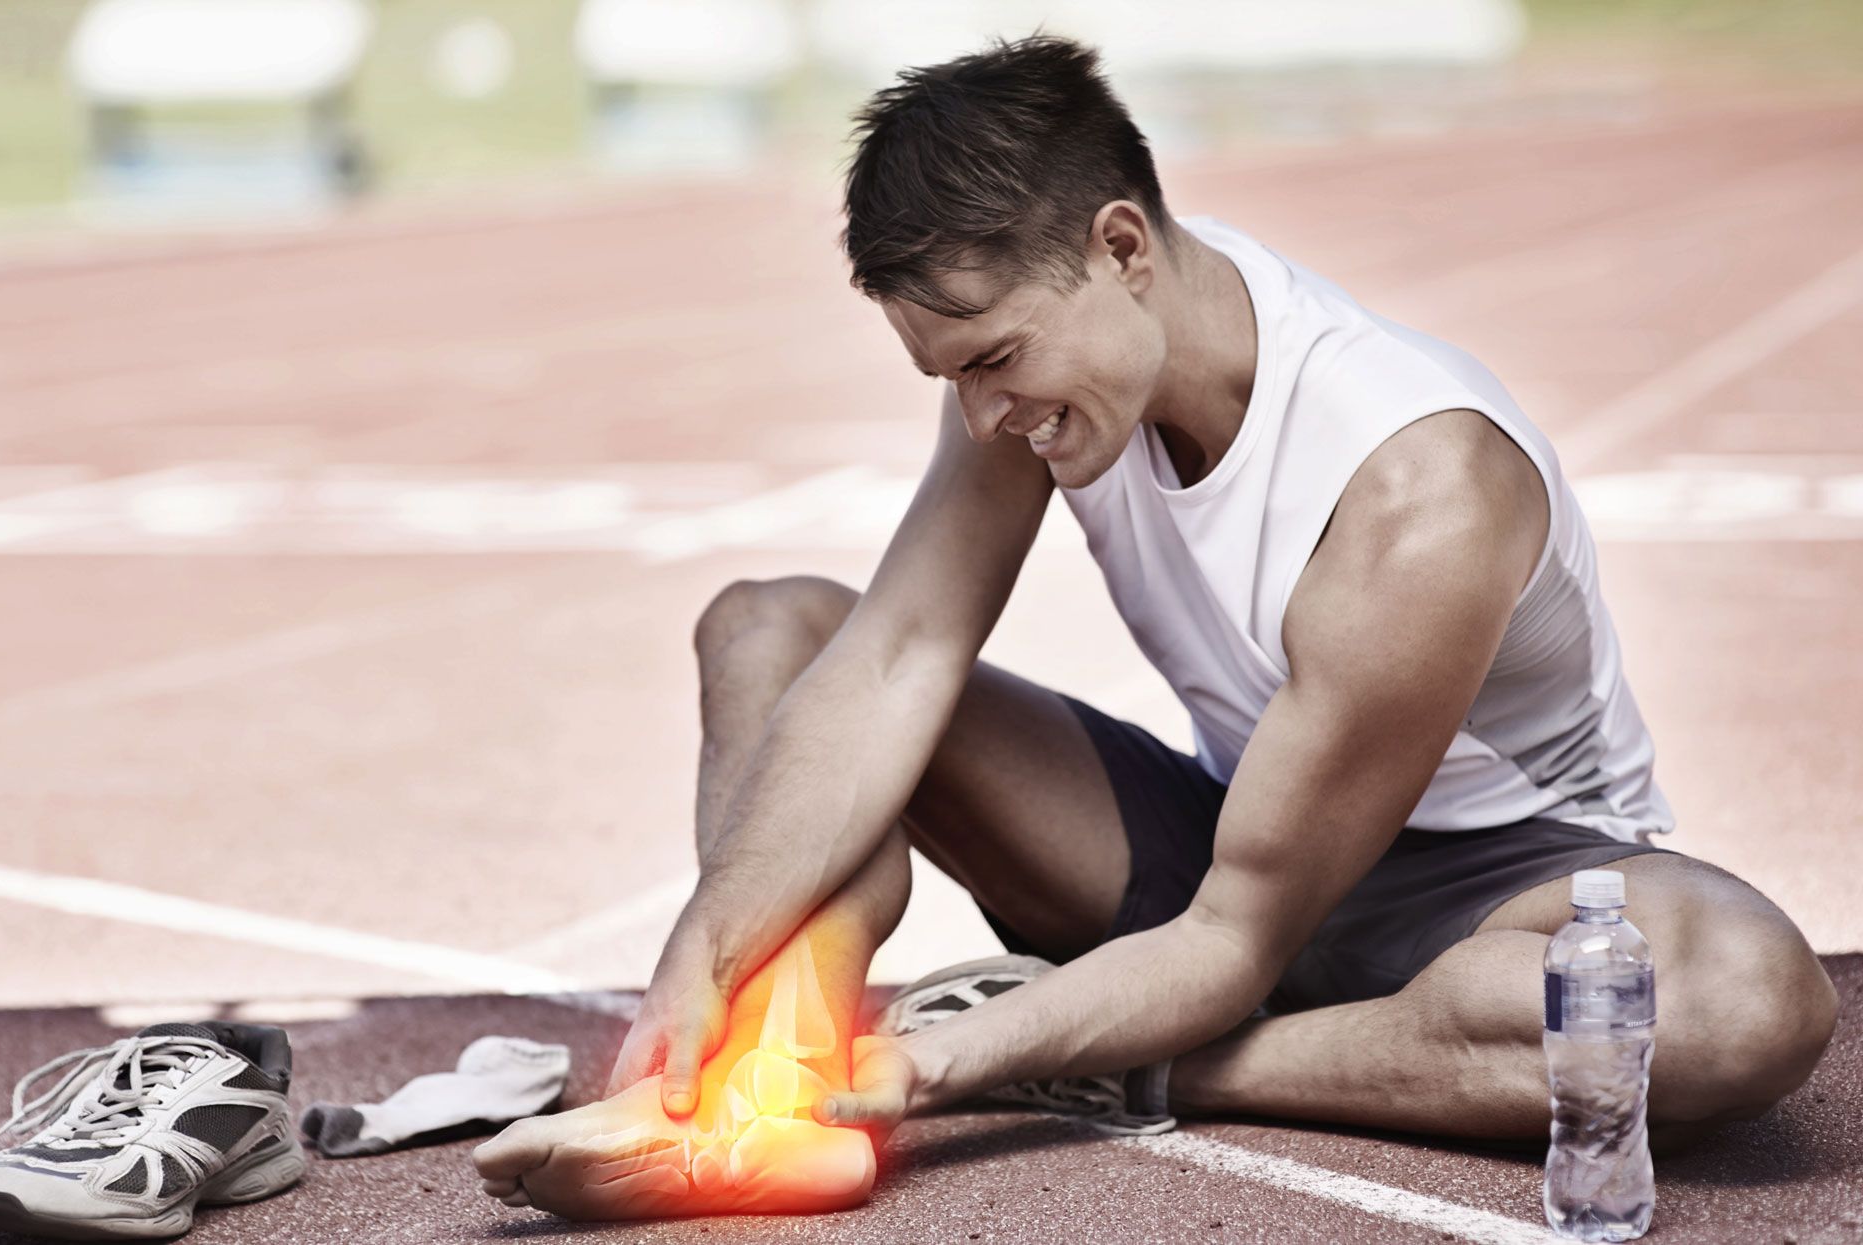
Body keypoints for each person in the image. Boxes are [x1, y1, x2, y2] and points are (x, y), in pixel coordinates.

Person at [475, 34, 1838, 1218]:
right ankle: (755, 1097)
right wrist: (696, 968)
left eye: (994, 361)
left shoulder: (1417, 488)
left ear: (1121, 246)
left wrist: (943, 1061)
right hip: (1229, 831)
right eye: (950, 377)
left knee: (1740, 1003)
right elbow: (893, 654)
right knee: (767, 630)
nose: (982, 417)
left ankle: (1149, 1055)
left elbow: (1238, 938)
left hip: (1489, 884)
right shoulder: (1051, 368)